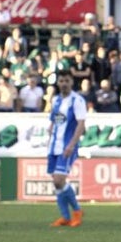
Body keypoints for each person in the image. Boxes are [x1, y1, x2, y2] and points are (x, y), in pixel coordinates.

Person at [47, 68, 87, 227]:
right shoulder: (55, 100)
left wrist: (71, 144)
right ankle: (65, 216)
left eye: (67, 81)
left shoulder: (77, 100)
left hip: (67, 145)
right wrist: (50, 132)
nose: (64, 84)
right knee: (56, 183)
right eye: (61, 81)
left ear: (72, 82)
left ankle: (77, 211)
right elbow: (54, 120)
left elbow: (81, 124)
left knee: (59, 179)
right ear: (58, 82)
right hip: (53, 146)